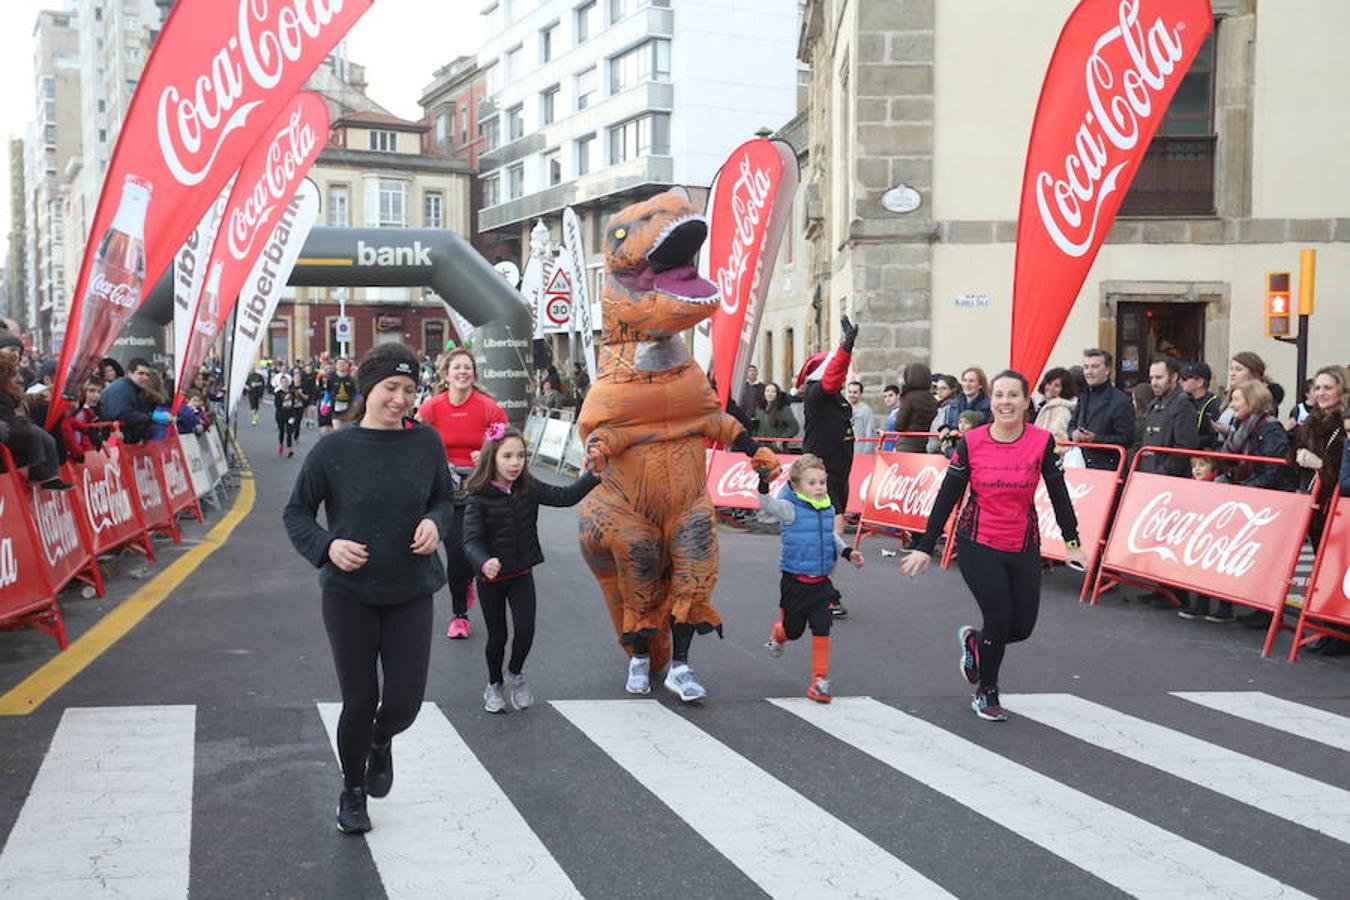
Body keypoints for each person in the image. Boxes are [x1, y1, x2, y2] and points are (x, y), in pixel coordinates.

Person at [283, 342, 453, 835]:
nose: (400, 399)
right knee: (359, 699)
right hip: (349, 593)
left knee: (403, 702)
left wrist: (435, 522)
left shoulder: (426, 443)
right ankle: (352, 791)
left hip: (411, 587)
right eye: (390, 388)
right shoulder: (334, 449)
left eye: (408, 389)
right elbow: (296, 512)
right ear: (368, 390)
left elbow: (445, 497)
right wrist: (325, 547)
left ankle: (381, 739)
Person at [900, 370, 1086, 722]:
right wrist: (925, 545)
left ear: (1026, 401)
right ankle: (986, 691)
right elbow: (948, 495)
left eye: (1013, 395)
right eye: (999, 395)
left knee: (1021, 628)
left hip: (1023, 544)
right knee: (999, 619)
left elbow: (1058, 492)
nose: (1005, 402)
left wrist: (1072, 541)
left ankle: (975, 643)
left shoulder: (1042, 441)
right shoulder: (971, 442)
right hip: (978, 542)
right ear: (992, 400)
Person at [462, 425, 600, 713]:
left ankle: (515, 673)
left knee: (525, 630)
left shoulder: (529, 487)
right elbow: (470, 540)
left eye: (521, 456)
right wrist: (484, 561)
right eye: (507, 456)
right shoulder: (477, 495)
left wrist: (594, 475)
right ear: (492, 458)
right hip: (491, 578)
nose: (515, 463)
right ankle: (494, 683)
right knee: (497, 637)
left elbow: (566, 496)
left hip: (521, 573)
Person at [416, 347, 509, 639]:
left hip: (479, 489)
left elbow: (507, 440)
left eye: (467, 368)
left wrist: (488, 454)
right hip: (446, 491)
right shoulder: (432, 407)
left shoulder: (487, 406)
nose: (462, 372)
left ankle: (467, 579)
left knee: (477, 550)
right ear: (446, 374)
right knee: (456, 554)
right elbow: (414, 441)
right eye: (457, 367)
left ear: (474, 374)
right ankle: (460, 616)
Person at [756, 454, 865, 703]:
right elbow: (767, 506)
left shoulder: (827, 507)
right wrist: (763, 485)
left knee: (822, 627)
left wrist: (847, 552)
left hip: (822, 583)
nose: (819, 488)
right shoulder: (789, 508)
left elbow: (830, 537)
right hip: (795, 582)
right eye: (812, 483)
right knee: (793, 631)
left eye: (822, 482)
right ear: (796, 486)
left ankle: (819, 680)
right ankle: (779, 633)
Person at [798, 315, 860, 540]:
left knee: (838, 506)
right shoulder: (816, 393)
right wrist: (846, 346)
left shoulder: (836, 396)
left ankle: (833, 547)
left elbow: (835, 374)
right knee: (827, 510)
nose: (843, 376)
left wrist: (845, 348)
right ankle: (827, 546)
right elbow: (833, 374)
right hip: (822, 464)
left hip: (840, 465)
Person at [1288, 365, 1346, 546]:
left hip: (1338, 505)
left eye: (1327, 388)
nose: (1321, 393)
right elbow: (1294, 450)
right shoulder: (1312, 419)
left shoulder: (1345, 423)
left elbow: (1343, 469)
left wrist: (1320, 464)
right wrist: (1297, 455)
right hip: (1313, 499)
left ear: (1342, 390)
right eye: (1317, 388)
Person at [0, 354, 73, 490]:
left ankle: (47, 475)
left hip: (15, 426)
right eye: (14, 375)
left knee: (46, 438)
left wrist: (38, 397)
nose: (20, 379)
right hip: (11, 434)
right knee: (32, 432)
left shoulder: (9, 393)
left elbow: (21, 400)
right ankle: (37, 469)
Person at [1067, 348, 1134, 470]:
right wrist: (1073, 434)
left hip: (1107, 469)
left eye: (1094, 367)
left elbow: (1127, 438)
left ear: (1107, 370)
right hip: (1079, 465)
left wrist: (1095, 439)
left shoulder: (1120, 401)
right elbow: (1071, 425)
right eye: (1086, 367)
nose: (1089, 372)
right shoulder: (1084, 395)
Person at [1136, 358, 1200, 478]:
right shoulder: (1153, 404)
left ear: (1174, 377)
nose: (1154, 383)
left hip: (1169, 480)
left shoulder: (1184, 405)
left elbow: (1185, 446)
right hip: (1147, 474)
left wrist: (1163, 472)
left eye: (1159, 378)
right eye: (1151, 378)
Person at [99, 357, 167, 444]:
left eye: (147, 374)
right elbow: (122, 414)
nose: (145, 377)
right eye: (141, 373)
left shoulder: (132, 388)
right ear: (130, 373)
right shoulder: (123, 388)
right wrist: (149, 418)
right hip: (115, 442)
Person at [889, 363, 938, 453]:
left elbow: (899, 425)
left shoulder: (908, 397)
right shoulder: (933, 399)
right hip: (927, 444)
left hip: (908, 445)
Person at [1180, 362, 1221, 451]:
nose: (1181, 382)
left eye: (1185, 379)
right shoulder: (1183, 401)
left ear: (1199, 382)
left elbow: (1213, 435)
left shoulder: (1214, 403)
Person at [61, 380, 107, 460]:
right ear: (82, 392)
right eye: (91, 391)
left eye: (99, 392)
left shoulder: (99, 412)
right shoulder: (72, 413)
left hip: (90, 458)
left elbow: (106, 434)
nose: (96, 395)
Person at [1033, 368, 1077, 447]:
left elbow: (1059, 438)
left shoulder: (1061, 410)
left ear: (1064, 389)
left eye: (1057, 386)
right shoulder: (1044, 406)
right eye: (1049, 383)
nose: (1051, 388)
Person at [752, 381, 798, 451]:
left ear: (777, 394)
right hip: (760, 447)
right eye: (767, 391)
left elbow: (794, 428)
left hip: (776, 448)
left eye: (773, 392)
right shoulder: (759, 408)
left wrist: (781, 439)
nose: (769, 394)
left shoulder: (783, 408)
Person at [323, 358, 359, 435]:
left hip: (349, 408)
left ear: (347, 365)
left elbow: (357, 393)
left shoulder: (352, 379)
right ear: (336, 366)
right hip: (335, 407)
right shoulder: (331, 378)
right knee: (337, 431)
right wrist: (325, 404)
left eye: (343, 363)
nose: (341, 366)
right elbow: (328, 392)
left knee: (348, 431)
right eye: (339, 364)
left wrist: (357, 404)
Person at [274, 373, 306, 457]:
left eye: (286, 382)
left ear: (289, 383)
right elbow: (277, 405)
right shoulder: (278, 393)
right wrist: (285, 399)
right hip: (280, 415)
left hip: (290, 415)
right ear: (280, 383)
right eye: (283, 382)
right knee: (281, 431)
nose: (285, 383)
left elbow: (297, 402)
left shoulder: (292, 392)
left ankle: (289, 449)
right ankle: (281, 445)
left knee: (289, 432)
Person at [926, 374, 960, 454]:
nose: (939, 392)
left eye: (943, 388)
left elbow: (946, 426)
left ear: (953, 390)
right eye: (937, 389)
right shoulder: (941, 405)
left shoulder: (952, 406)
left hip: (942, 450)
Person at [847, 380, 876, 455]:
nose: (852, 395)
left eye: (855, 392)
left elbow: (869, 432)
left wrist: (866, 452)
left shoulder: (866, 410)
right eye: (850, 392)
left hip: (860, 450)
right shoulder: (844, 408)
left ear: (860, 393)